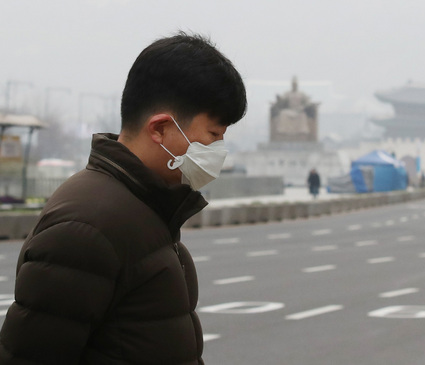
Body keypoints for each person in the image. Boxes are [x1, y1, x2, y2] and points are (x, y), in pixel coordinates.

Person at [0, 32, 247, 364]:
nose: (218, 151)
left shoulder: (147, 208)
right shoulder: (88, 226)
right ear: (159, 128)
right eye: (213, 135)